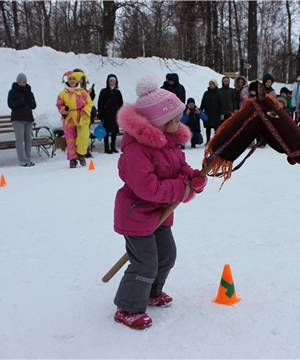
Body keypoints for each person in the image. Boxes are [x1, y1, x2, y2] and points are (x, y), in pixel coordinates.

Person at [112, 77, 207, 329]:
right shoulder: (136, 151)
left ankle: (151, 292)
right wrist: (181, 188)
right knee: (144, 263)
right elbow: (148, 188)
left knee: (166, 255)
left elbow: (181, 168)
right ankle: (127, 307)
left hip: (159, 214)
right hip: (136, 214)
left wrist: (193, 178)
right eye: (175, 120)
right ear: (158, 123)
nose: (180, 124)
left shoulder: (171, 144)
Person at [56, 70, 93, 168]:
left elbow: (89, 103)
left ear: (77, 80)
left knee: (83, 137)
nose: (72, 81)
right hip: (69, 119)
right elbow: (59, 104)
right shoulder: (63, 93)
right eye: (70, 79)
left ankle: (81, 154)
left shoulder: (83, 92)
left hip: (81, 117)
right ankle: (72, 159)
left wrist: (85, 109)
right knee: (70, 139)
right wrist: (63, 110)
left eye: (74, 79)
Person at [7, 73, 36, 167]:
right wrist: (22, 100)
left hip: (28, 118)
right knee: (20, 140)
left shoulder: (29, 92)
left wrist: (28, 100)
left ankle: (28, 158)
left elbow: (34, 105)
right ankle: (22, 160)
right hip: (18, 118)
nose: (22, 84)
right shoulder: (13, 92)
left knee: (28, 139)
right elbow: (11, 104)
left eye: (24, 82)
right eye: (20, 82)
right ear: (17, 82)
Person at [98, 74, 124, 154]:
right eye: (111, 81)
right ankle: (106, 147)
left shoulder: (117, 92)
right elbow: (100, 103)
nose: (112, 83)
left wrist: (119, 111)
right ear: (108, 82)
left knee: (114, 131)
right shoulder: (104, 91)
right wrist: (101, 114)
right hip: (106, 114)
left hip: (114, 114)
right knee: (106, 131)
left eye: (114, 81)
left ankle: (113, 147)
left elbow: (121, 103)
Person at [73, 68, 96, 157]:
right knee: (77, 134)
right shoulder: (71, 89)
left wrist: (91, 94)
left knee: (85, 134)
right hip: (76, 115)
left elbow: (88, 101)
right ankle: (77, 151)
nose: (80, 80)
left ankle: (85, 150)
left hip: (86, 115)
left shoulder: (84, 89)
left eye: (82, 78)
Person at [200, 79, 223, 144]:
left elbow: (221, 104)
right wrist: (201, 110)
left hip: (216, 113)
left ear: (215, 85)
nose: (211, 85)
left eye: (212, 84)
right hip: (207, 112)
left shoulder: (218, 93)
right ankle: (208, 141)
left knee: (216, 128)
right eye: (210, 84)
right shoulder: (206, 93)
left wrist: (221, 113)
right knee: (208, 128)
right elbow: (203, 103)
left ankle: (216, 141)